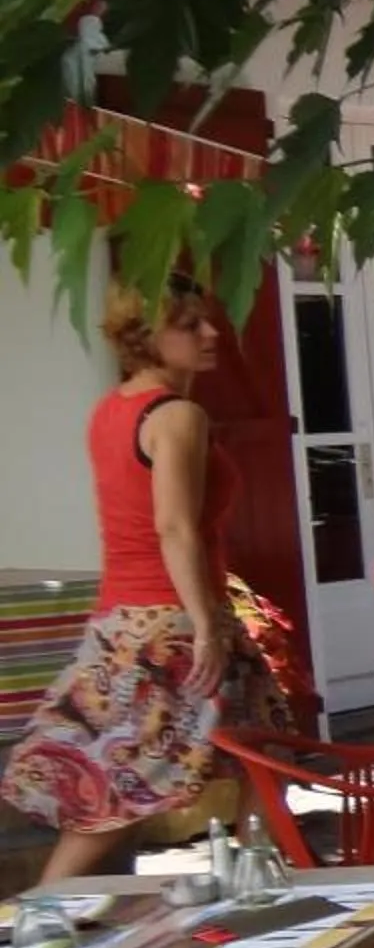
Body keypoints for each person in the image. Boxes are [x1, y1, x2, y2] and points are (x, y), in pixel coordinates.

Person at [2, 275, 286, 880]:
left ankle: (263, 885)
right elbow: (175, 528)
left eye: (207, 319)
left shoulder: (113, 410)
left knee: (227, 762)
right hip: (176, 622)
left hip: (123, 621)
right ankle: (263, 890)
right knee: (130, 794)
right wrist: (208, 625)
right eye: (189, 325)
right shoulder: (178, 415)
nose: (212, 333)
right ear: (143, 336)